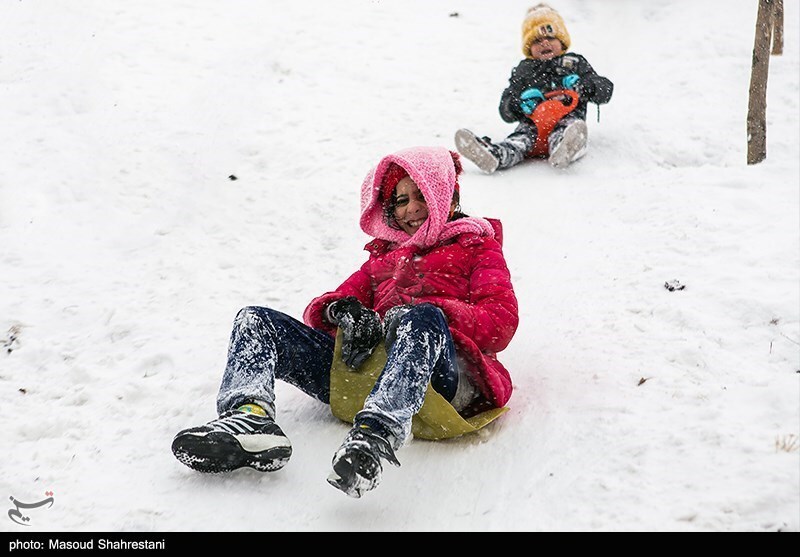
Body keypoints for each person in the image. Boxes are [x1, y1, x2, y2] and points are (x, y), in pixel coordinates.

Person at [171, 146, 519, 498]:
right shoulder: (382, 259)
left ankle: (375, 436)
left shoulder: (477, 247)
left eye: (421, 195)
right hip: (365, 379)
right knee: (256, 321)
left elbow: (500, 322)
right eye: (401, 201)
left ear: (447, 196)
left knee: (420, 318)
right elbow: (321, 308)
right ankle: (249, 418)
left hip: (440, 378)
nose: (412, 208)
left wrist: (432, 312)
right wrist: (342, 311)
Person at [455, 3, 613, 173]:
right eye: (537, 40)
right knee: (518, 142)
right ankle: (494, 155)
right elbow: (505, 110)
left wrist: (583, 86)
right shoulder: (525, 70)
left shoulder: (574, 63)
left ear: (562, 41)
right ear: (529, 48)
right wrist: (519, 103)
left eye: (550, 38)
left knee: (569, 132)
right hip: (532, 125)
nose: (544, 43)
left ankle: (566, 148)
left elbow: (605, 89)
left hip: (566, 120)